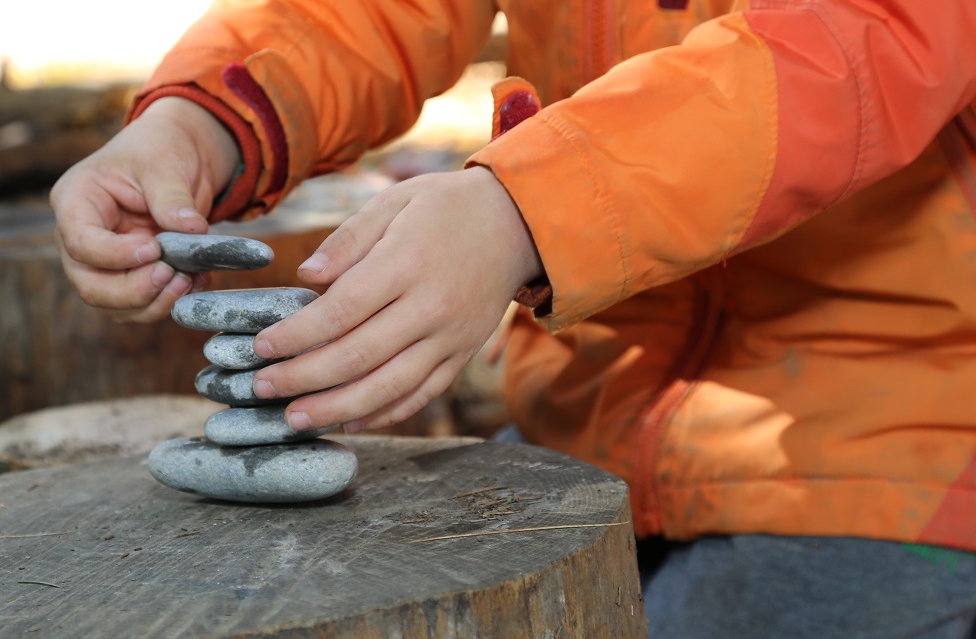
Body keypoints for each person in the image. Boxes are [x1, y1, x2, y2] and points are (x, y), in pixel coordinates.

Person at [52, 1, 976, 636]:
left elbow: (864, 43)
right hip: (588, 408)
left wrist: (526, 210)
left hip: (896, 447)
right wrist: (205, 118)